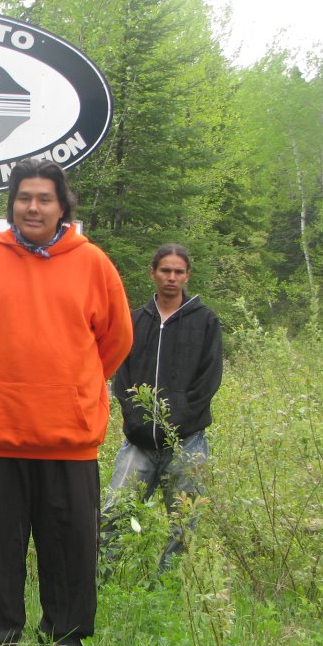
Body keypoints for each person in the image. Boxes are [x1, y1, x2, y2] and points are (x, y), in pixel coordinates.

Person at [0, 159, 133, 646]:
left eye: (44, 198)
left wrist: (75, 390)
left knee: (69, 548)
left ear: (61, 205)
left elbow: (115, 341)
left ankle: (66, 639)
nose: (33, 207)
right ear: (12, 204)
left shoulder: (93, 263)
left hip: (68, 440)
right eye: (24, 197)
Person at [101, 244, 223, 572]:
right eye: (165, 270)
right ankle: (101, 579)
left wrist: (178, 421)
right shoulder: (135, 321)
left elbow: (209, 379)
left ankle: (168, 585)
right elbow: (120, 373)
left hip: (187, 441)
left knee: (187, 519)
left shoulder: (205, 322)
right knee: (115, 512)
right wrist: (137, 418)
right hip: (139, 441)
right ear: (152, 273)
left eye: (178, 272)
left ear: (187, 276)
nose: (171, 277)